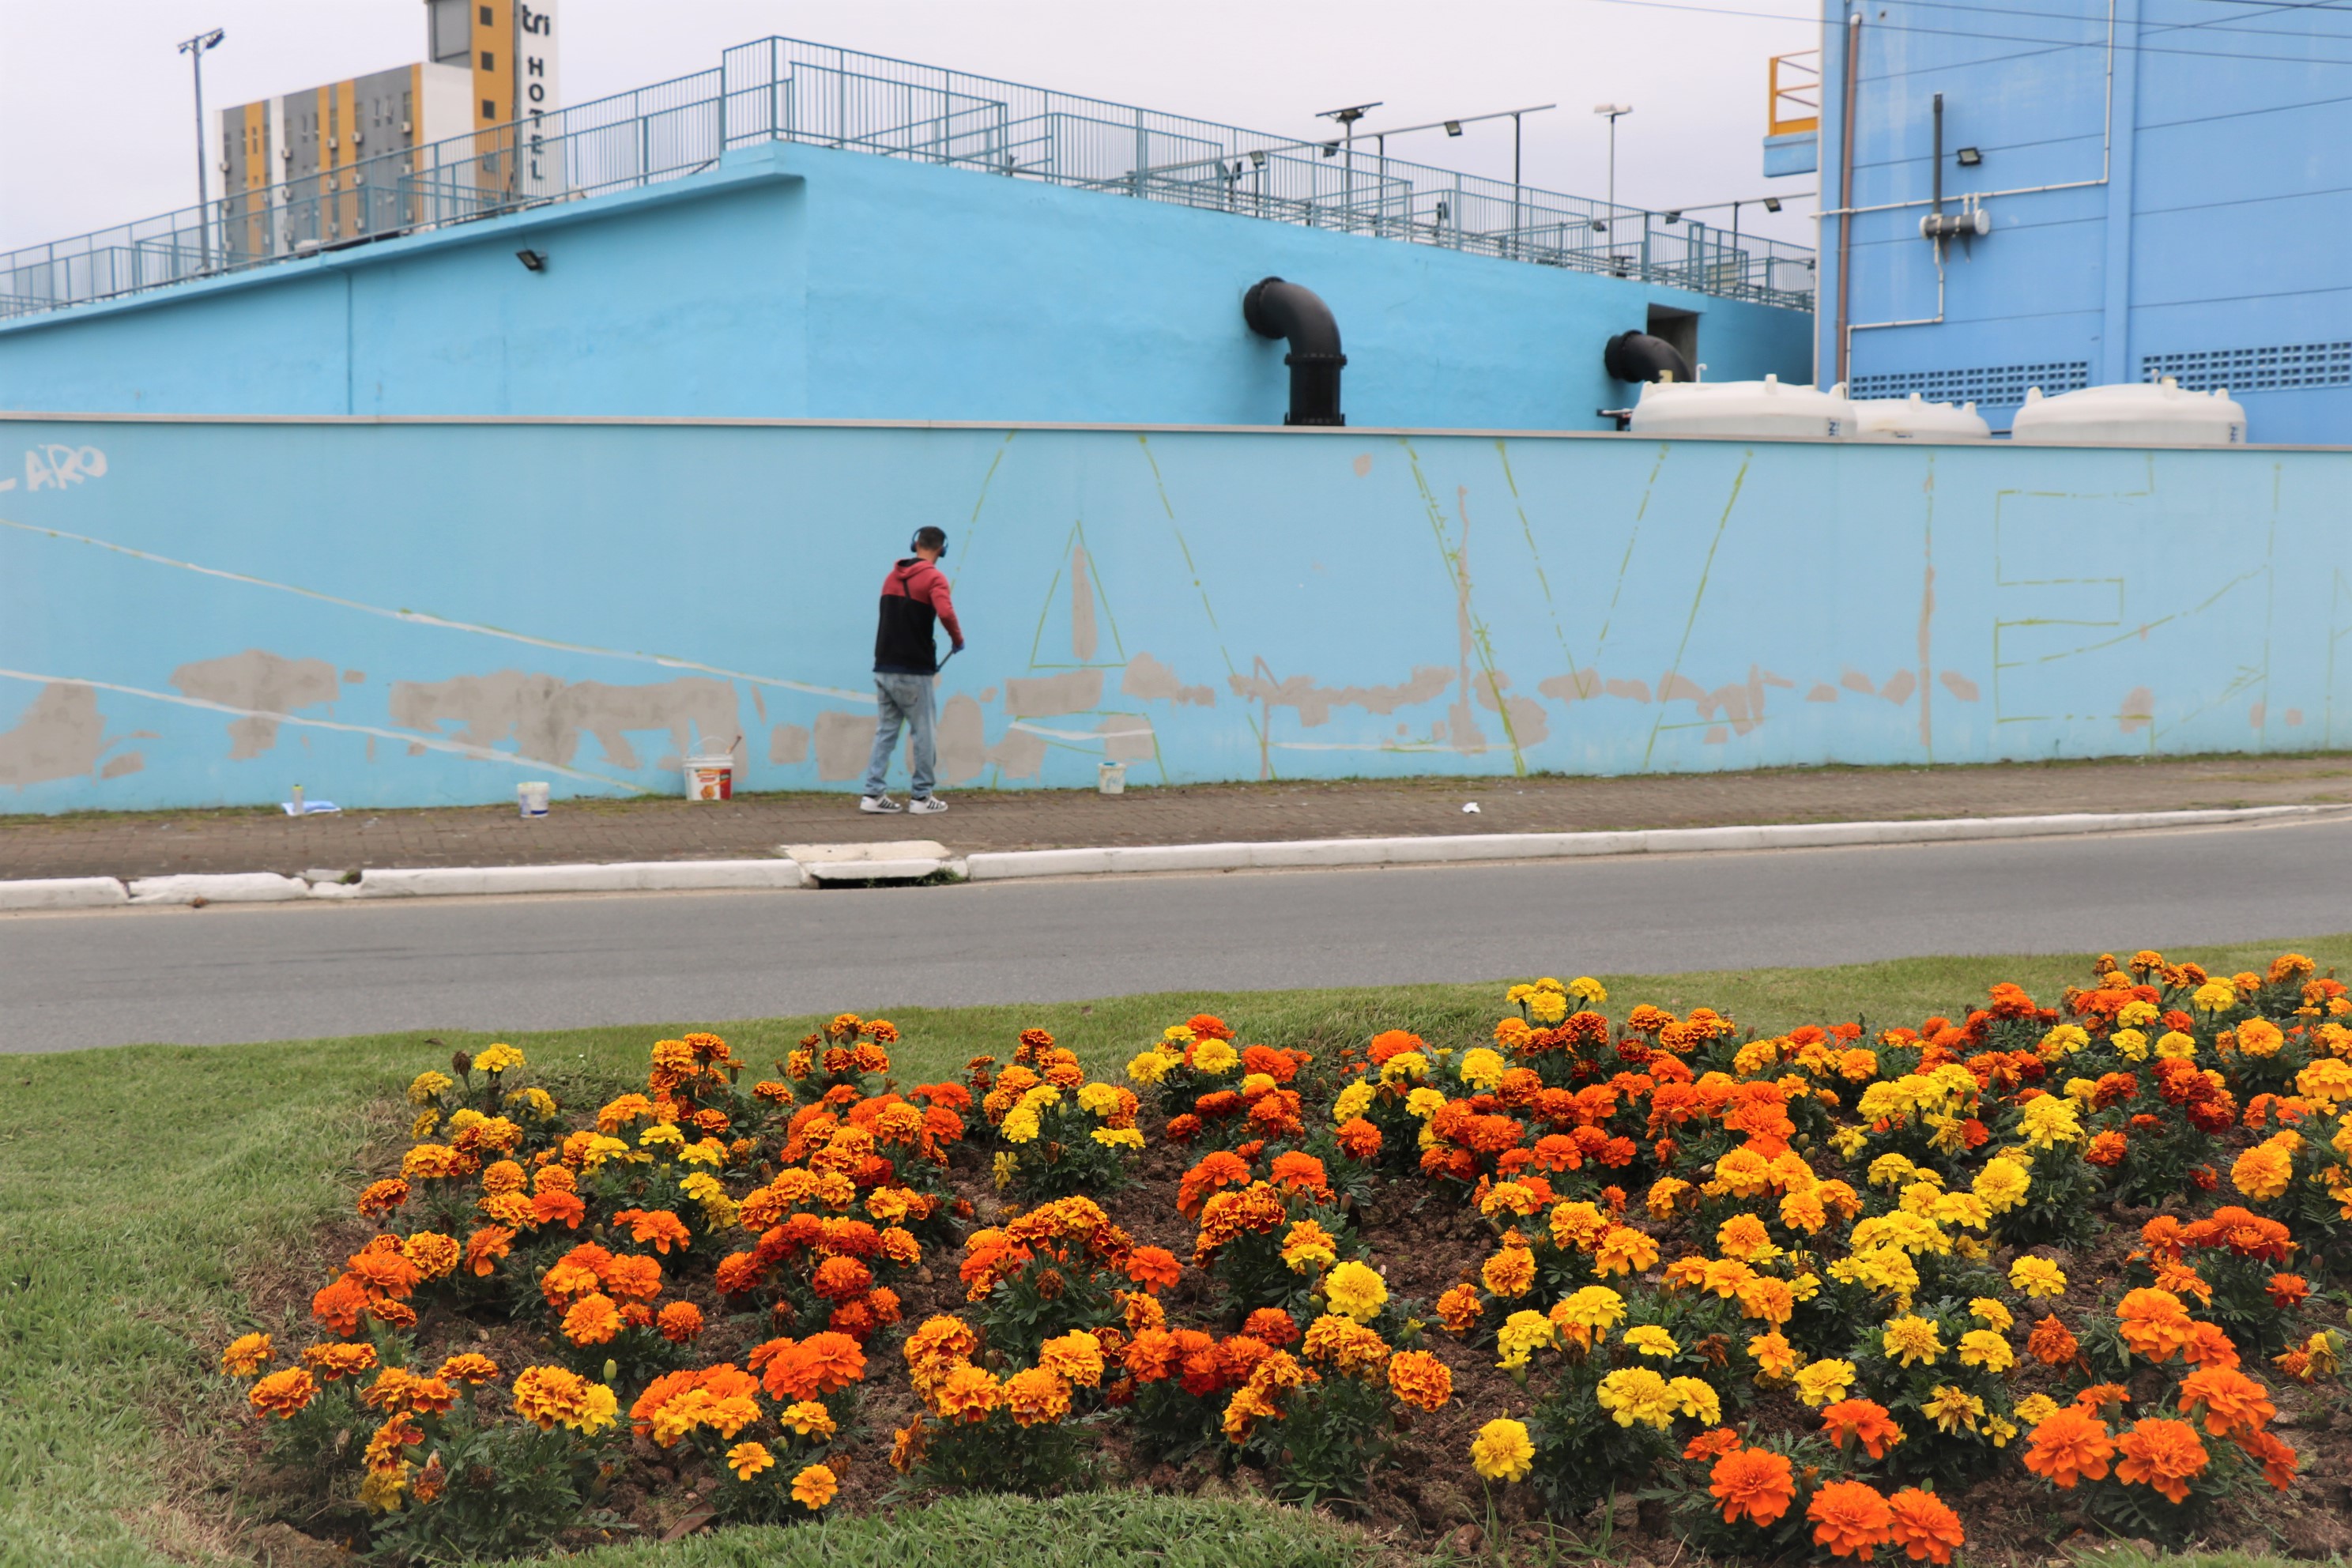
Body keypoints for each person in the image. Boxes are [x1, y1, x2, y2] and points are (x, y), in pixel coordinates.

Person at [861, 525, 964, 814]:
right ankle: (921, 797)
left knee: (886, 731)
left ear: (914, 545)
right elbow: (945, 612)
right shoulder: (935, 578)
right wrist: (957, 639)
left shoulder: (890, 577)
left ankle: (872, 794)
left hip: (884, 665)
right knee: (924, 733)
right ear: (942, 549)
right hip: (913, 669)